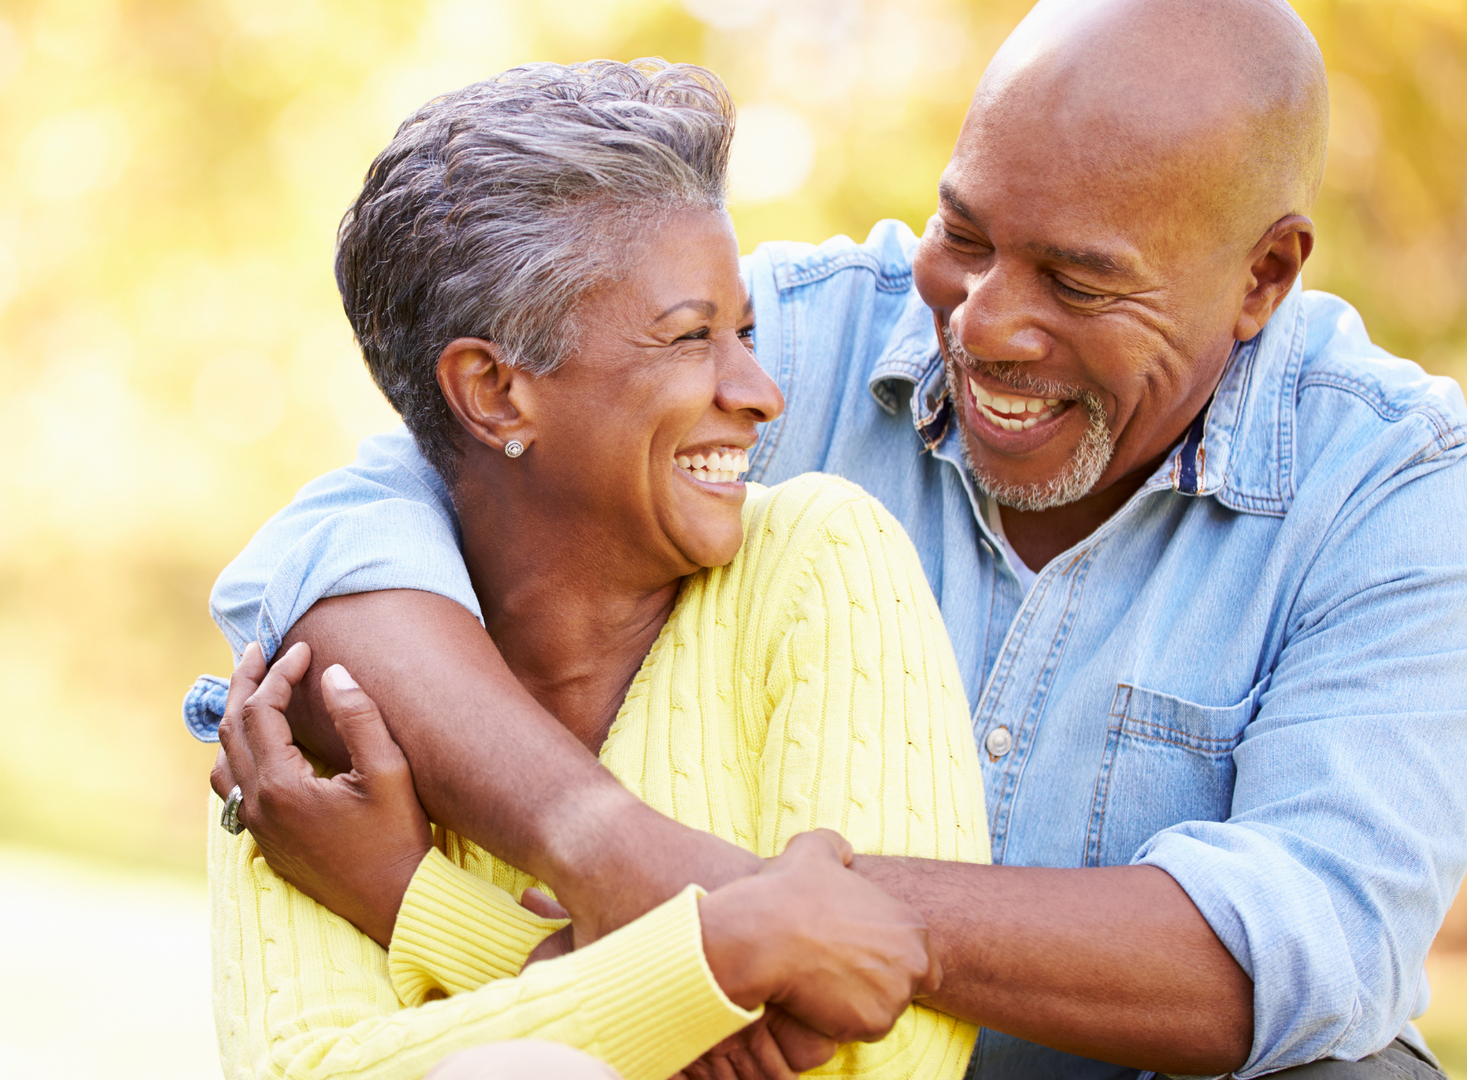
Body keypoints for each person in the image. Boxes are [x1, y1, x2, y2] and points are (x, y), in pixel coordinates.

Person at [193, 0, 1467, 1077]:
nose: (988, 326)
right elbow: (355, 535)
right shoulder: (786, 340)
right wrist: (612, 853)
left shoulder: (1400, 487)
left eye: (1079, 281)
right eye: (964, 234)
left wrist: (757, 922)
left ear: (1264, 276)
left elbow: (1312, 934)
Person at [197, 59, 989, 1080]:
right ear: (494, 393)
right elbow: (309, 1070)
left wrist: (421, 906)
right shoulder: (319, 709)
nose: (758, 392)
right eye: (690, 337)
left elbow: (885, 1054)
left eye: (744, 331)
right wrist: (714, 961)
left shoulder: (822, 561)